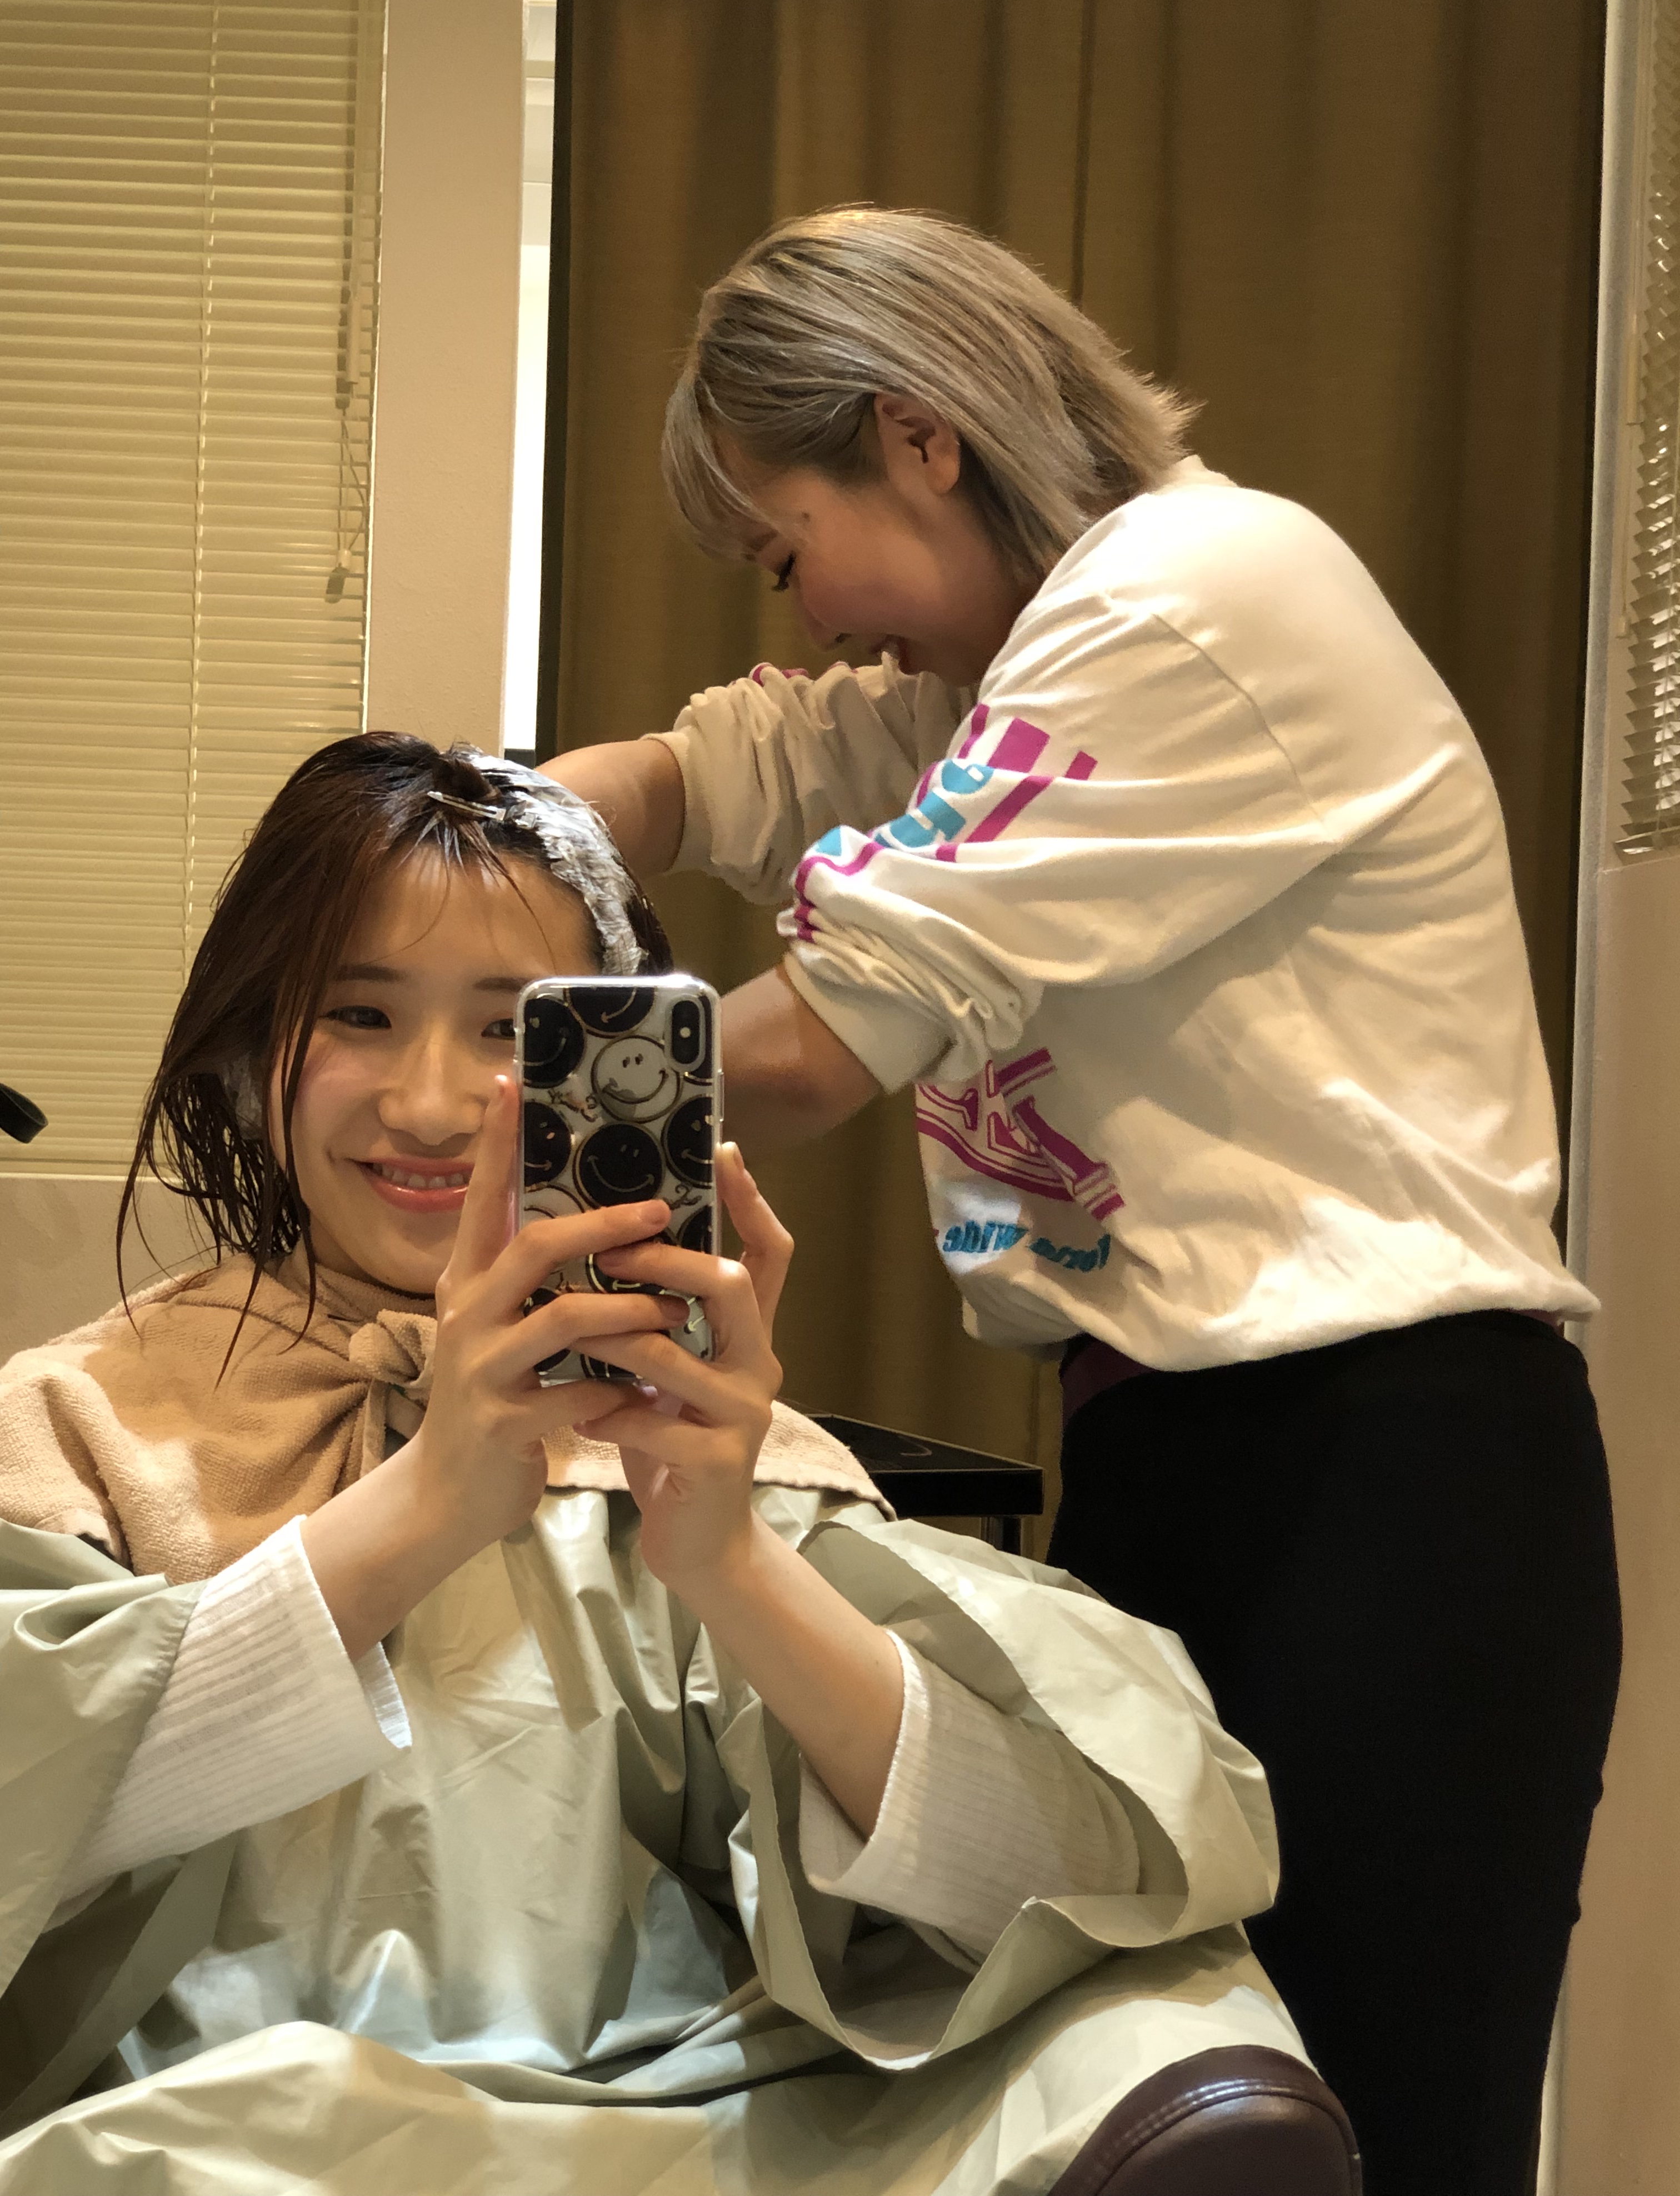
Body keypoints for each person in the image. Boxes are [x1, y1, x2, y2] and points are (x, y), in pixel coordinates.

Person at [543, 205, 1623, 2196]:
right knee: (1164, 2121)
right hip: (1178, 1449)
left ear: (919, 435)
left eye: (789, 546)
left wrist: (486, 1073)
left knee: (1371, 2131)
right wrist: (509, 824)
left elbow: (825, 1038)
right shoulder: (1015, 658)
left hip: (1389, 1475)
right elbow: (738, 766)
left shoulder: (1192, 599)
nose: (810, 616)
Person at [0, 732, 1302, 2192]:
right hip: (202, 2136)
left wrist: (731, 1562)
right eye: (361, 1014)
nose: (431, 1105)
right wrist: (424, 1510)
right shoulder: (78, 1428)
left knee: (1164, 2016)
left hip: (691, 2126)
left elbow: (1071, 1879)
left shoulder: (721, 1448)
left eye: (517, 1032)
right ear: (254, 1051)